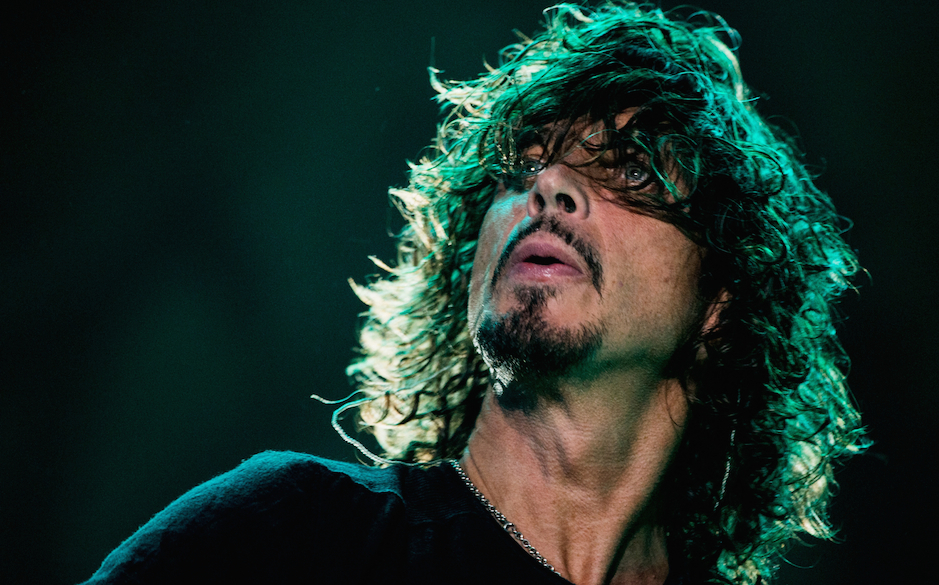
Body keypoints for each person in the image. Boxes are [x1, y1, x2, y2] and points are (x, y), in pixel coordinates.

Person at [81, 2, 867, 584]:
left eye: (628, 170)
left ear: (719, 306)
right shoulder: (288, 533)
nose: (551, 186)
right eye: (522, 167)